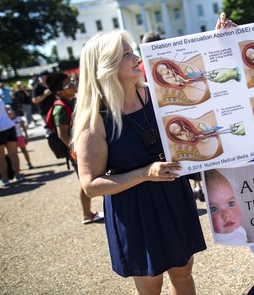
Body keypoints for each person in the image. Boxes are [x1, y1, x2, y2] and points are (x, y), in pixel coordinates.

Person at [72, 30, 206, 294]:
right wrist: (145, 173)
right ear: (105, 65)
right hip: (134, 208)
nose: (136, 57)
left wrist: (227, 39)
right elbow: (90, 185)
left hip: (173, 194)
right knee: (150, 284)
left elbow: (208, 80)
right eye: (127, 54)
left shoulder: (159, 94)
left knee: (184, 272)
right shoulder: (95, 118)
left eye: (133, 51)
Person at [46, 72, 103, 224]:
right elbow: (62, 134)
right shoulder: (60, 108)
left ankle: (87, 214)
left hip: (80, 148)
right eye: (68, 84)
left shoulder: (71, 100)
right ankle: (86, 214)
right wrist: (78, 151)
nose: (72, 85)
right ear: (59, 92)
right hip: (76, 150)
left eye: (71, 81)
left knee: (84, 180)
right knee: (86, 180)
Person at [5, 105, 33, 169]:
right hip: (11, 139)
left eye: (10, 112)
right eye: (8, 113)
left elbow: (24, 127)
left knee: (24, 150)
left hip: (20, 137)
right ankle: (16, 167)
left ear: (13, 112)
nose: (10, 114)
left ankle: (29, 163)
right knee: (14, 153)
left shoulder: (19, 119)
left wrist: (26, 136)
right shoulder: (6, 121)